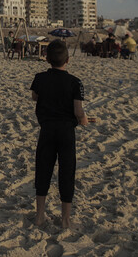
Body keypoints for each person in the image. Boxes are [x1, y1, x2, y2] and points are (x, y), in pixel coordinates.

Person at [29, 39, 88, 229]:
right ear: (68, 60)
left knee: (43, 170)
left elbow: (34, 96)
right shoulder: (75, 82)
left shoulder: (40, 78)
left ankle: (39, 216)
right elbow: (78, 111)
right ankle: (65, 220)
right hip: (66, 133)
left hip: (46, 130)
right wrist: (84, 119)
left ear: (47, 59)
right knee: (66, 172)